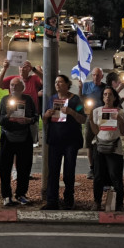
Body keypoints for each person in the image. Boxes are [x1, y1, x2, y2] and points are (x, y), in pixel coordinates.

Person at [42, 75, 86, 210]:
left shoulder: (75, 100)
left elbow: (83, 119)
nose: (57, 84)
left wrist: (71, 112)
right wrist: (46, 116)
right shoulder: (52, 99)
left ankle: (68, 199)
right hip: (55, 139)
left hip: (70, 141)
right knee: (53, 171)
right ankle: (52, 200)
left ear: (67, 84)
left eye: (60, 82)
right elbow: (44, 120)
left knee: (68, 171)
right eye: (56, 82)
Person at [0, 77, 37, 207]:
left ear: (22, 87)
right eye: (11, 85)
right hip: (7, 138)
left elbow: (35, 117)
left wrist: (28, 120)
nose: (13, 87)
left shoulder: (28, 100)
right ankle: (6, 196)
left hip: (24, 137)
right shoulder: (5, 100)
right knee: (4, 168)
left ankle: (21, 194)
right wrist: (8, 115)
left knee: (24, 168)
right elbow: (1, 121)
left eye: (16, 85)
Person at [88, 87, 124, 211]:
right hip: (100, 147)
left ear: (115, 97)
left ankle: (119, 203)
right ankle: (97, 202)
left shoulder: (120, 112)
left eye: (110, 94)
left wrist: (119, 119)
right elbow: (95, 131)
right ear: (102, 97)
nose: (107, 97)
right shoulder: (97, 111)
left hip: (114, 148)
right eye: (105, 94)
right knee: (98, 176)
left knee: (115, 176)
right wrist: (90, 120)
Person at [77, 67, 105, 179]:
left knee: (102, 142)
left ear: (102, 76)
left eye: (98, 75)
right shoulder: (87, 85)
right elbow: (81, 98)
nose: (96, 77)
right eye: (94, 75)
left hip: (102, 118)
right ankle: (92, 168)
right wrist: (80, 88)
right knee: (89, 144)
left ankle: (102, 167)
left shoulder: (105, 87)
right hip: (90, 117)